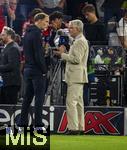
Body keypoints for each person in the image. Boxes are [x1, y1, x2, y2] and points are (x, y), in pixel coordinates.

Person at [54, 19, 89, 135]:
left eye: (71, 28)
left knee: (71, 102)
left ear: (78, 29)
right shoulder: (79, 40)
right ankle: (80, 127)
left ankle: (73, 128)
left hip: (75, 76)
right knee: (78, 103)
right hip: (78, 76)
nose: (69, 30)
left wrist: (62, 55)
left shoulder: (80, 41)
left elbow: (76, 59)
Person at [18, 13, 49, 127]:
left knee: (27, 98)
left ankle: (22, 123)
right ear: (39, 20)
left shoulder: (27, 33)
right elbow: (38, 55)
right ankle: (38, 124)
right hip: (37, 70)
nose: (47, 24)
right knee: (39, 98)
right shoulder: (36, 33)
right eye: (46, 21)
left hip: (28, 69)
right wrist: (44, 70)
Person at [0, 26, 21, 104]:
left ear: (9, 36)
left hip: (11, 83)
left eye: (3, 35)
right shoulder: (8, 47)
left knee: (10, 108)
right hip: (7, 83)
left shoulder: (13, 48)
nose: (0, 37)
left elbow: (12, 65)